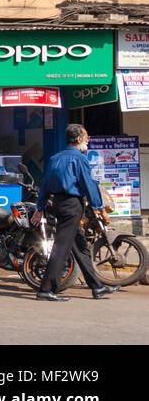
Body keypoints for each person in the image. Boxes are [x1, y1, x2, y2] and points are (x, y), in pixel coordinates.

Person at [33, 123, 117, 302]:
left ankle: (97, 287)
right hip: (72, 206)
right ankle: (46, 289)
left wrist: (40, 206)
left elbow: (46, 184)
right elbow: (89, 185)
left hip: (58, 204)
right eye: (86, 138)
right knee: (61, 249)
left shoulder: (55, 158)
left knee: (80, 247)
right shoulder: (79, 159)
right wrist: (101, 209)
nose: (88, 141)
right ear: (79, 139)